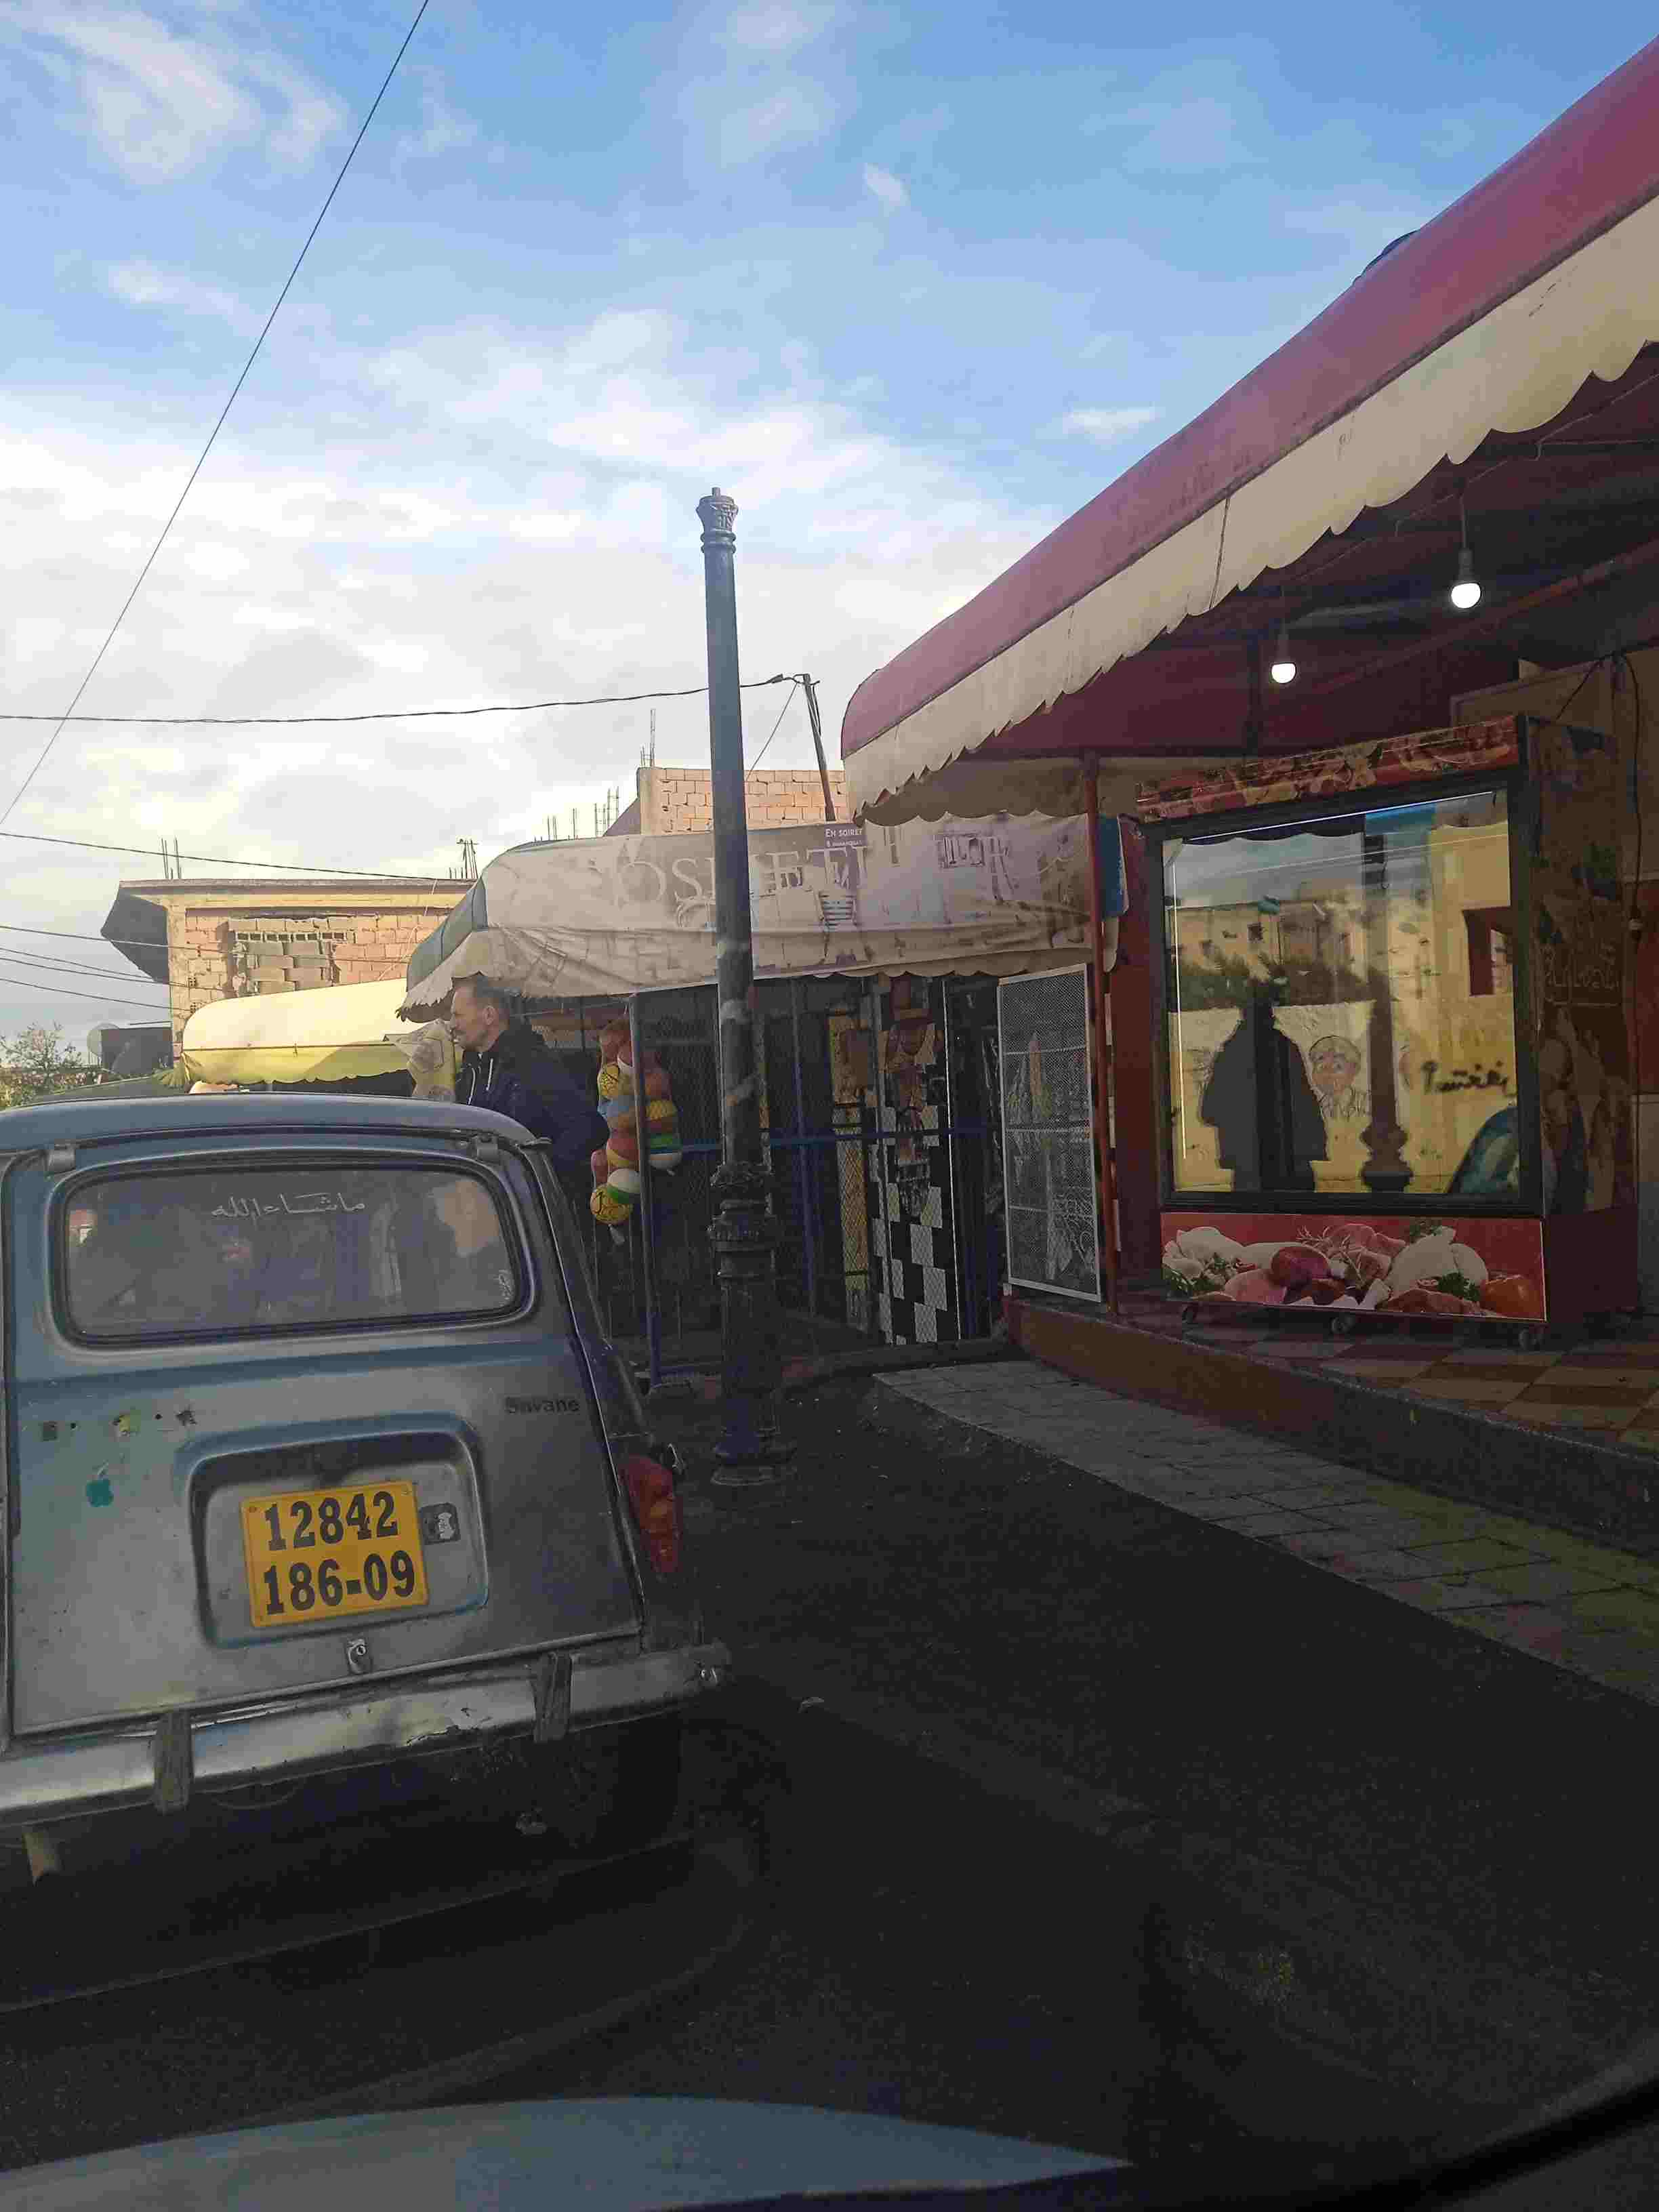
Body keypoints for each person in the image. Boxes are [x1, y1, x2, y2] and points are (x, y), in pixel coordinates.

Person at [449, 976, 606, 1174]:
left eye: (457, 1015)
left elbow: (590, 1129)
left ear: (489, 1015)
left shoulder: (532, 1063)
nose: (451, 1024)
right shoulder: (470, 1071)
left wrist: (535, 1172)